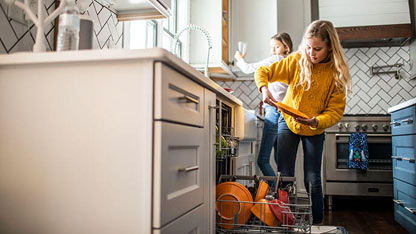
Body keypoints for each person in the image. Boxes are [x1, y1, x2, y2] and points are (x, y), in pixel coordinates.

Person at [254, 20, 352, 225]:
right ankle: (285, 223)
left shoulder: (336, 73)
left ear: (329, 48)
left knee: (313, 179)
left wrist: (316, 121)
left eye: (317, 49)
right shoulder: (297, 60)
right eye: (308, 47)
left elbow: (335, 111)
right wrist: (264, 88)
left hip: (315, 127)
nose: (311, 53)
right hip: (288, 122)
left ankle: (317, 225)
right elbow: (263, 72)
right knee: (285, 177)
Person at [234, 33, 293, 185]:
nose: (273, 50)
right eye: (271, 47)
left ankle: (277, 194)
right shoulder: (289, 63)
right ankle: (283, 196)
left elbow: (248, 69)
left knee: (263, 160)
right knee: (279, 160)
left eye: (277, 46)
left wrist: (240, 58)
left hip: (274, 111)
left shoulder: (277, 59)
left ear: (285, 47)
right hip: (284, 113)